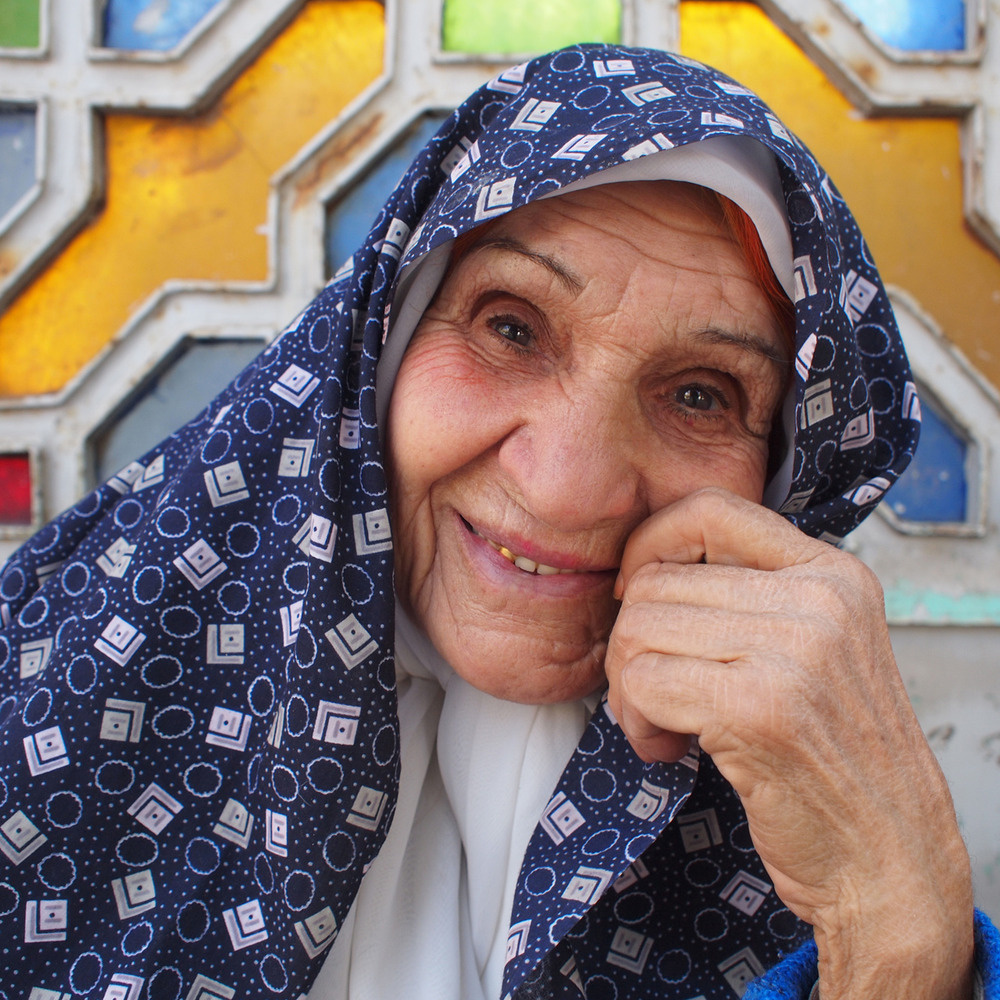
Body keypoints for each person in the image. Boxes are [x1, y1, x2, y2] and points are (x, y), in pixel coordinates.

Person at [0, 43, 995, 1000]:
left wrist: (896, 935)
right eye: (510, 326)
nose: (564, 488)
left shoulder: (807, 832)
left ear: (784, 479)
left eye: (701, 394)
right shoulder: (49, 701)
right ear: (378, 347)